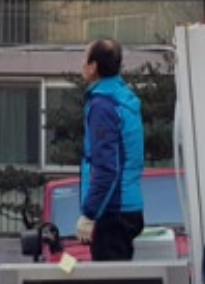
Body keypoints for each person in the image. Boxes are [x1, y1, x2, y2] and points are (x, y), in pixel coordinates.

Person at [75, 37, 144, 261]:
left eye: (85, 59)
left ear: (93, 66)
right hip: (127, 207)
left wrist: (90, 214)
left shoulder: (103, 106)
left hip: (112, 211)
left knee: (109, 275)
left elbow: (106, 168)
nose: (82, 65)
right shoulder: (123, 98)